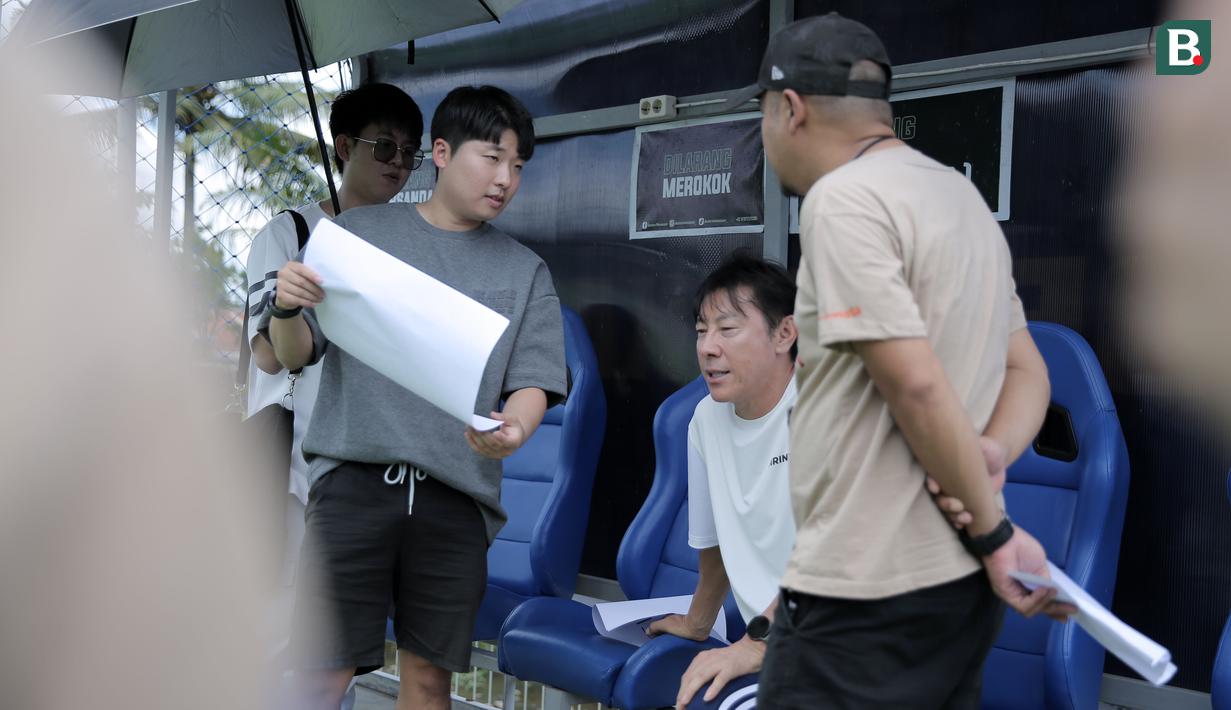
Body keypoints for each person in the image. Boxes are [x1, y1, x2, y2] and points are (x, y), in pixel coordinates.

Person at [731, 13, 1069, 708]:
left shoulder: (844, 200)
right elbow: (1027, 371)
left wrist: (996, 530)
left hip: (863, 592)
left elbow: (911, 384)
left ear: (788, 108)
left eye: (763, 116)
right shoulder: (959, 197)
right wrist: (989, 455)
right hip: (958, 594)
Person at [266, 85, 567, 710]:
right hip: (351, 483)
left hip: (457, 498)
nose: (505, 179)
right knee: (320, 672)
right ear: (441, 152)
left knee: (428, 682)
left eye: (518, 166)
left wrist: (515, 428)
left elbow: (533, 381)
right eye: (491, 158)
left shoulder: (526, 271)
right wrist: (285, 306)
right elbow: (295, 355)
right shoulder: (356, 235)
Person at [242, 82, 424, 709]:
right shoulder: (291, 232)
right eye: (384, 148)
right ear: (343, 147)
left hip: (367, 467)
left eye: (410, 153)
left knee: (334, 642)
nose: (399, 165)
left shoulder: (407, 247)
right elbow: (267, 353)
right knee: (274, 622)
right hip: (294, 465)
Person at [646, 253, 798, 710]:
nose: (708, 347)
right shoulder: (705, 419)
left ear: (784, 333)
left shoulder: (828, 409)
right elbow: (715, 546)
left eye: (727, 330)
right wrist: (698, 620)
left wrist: (755, 644)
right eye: (700, 331)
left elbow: (840, 556)